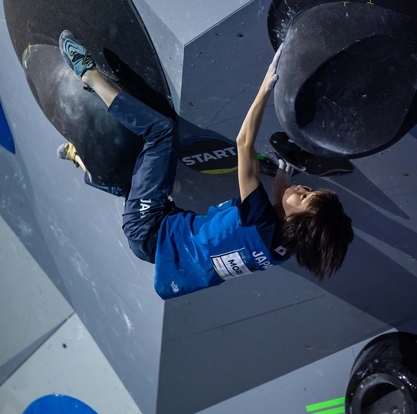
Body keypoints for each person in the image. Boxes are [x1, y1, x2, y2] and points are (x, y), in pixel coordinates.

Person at [58, 31, 354, 299]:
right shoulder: (280, 250)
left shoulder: (261, 219)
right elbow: (271, 214)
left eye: (303, 197)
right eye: (309, 189)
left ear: (293, 222)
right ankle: (82, 161)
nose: (302, 188)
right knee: (133, 182)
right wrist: (283, 189)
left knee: (161, 133)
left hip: (149, 226)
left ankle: (88, 73)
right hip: (158, 243)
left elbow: (243, 144)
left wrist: (266, 86)